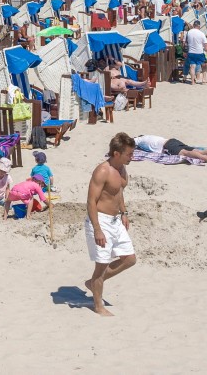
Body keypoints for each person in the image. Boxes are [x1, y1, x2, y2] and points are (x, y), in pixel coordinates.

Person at [85, 132, 137, 317]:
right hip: (101, 221)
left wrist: (124, 212)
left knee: (130, 259)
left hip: (116, 221)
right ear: (116, 153)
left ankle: (93, 283)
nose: (132, 157)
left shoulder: (122, 169)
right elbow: (91, 201)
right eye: (129, 154)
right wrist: (97, 229)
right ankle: (98, 306)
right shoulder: (102, 171)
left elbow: (119, 192)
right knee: (101, 265)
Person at [133, 134, 207, 164]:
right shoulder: (149, 136)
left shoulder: (140, 140)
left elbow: (131, 142)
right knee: (196, 150)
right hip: (172, 141)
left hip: (167, 146)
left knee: (185, 153)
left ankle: (206, 158)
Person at [183, 20, 207, 85]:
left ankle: (192, 82)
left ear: (193, 25)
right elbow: (205, 45)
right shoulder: (201, 33)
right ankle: (204, 80)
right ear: (199, 26)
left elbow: (185, 43)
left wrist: (184, 52)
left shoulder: (188, 33)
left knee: (192, 66)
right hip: (199, 52)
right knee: (204, 65)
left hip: (191, 52)